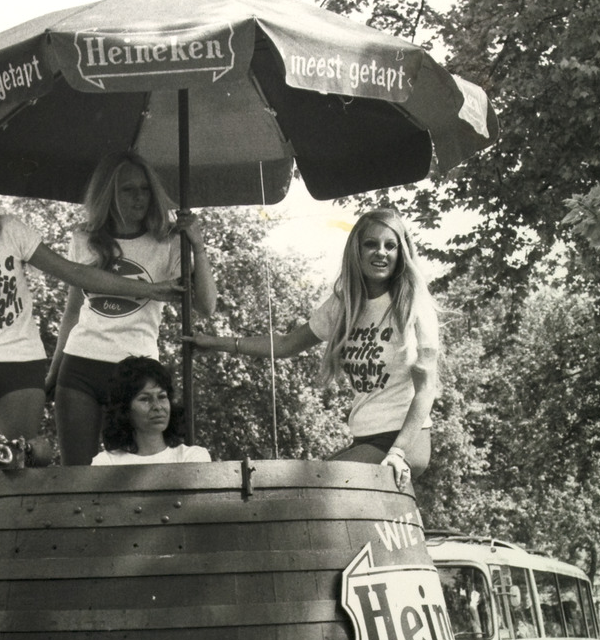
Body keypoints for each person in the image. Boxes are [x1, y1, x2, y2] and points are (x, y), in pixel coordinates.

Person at [0, 151, 183, 477]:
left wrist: (149, 290)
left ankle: (34, 450)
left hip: (20, 369)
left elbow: (74, 273)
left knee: (9, 466)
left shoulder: (8, 230)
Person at [188, 207, 439, 488]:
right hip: (366, 437)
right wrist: (216, 343)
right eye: (371, 244)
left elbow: (427, 389)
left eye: (390, 245)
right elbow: (285, 345)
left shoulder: (413, 306)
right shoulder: (344, 305)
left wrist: (398, 451)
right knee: (310, 486)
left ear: (401, 253)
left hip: (405, 439)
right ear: (356, 249)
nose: (381, 252)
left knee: (314, 485)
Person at [46, 151, 218, 466]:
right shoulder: (85, 238)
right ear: (107, 194)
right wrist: (54, 371)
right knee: (76, 475)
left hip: (136, 373)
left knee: (129, 474)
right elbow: (72, 311)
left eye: (145, 189)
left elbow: (205, 306)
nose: (139, 197)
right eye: (128, 189)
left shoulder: (168, 241)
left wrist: (197, 245)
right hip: (79, 366)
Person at [91, 357, 212, 465]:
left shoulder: (191, 458)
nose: (157, 406)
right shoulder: (106, 463)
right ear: (125, 409)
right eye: (145, 399)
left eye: (162, 397)